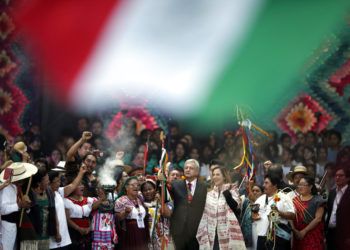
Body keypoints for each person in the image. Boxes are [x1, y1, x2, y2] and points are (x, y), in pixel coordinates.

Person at [196, 166, 246, 249]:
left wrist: (225, 192)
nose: (215, 177)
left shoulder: (232, 191)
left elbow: (235, 208)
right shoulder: (210, 195)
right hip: (212, 234)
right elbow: (205, 215)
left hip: (228, 233)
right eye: (214, 175)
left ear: (224, 176)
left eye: (218, 174)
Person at [169, 159, 207, 250]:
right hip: (178, 229)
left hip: (197, 231)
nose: (188, 170)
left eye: (191, 168)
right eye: (186, 168)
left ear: (197, 171)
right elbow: (168, 202)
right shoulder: (175, 185)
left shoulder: (204, 186)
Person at [0, 162, 37, 250]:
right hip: (7, 226)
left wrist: (26, 206)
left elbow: (21, 207)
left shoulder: (16, 188)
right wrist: (19, 205)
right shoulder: (6, 188)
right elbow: (3, 209)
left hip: (16, 226)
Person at [48, 166, 87, 249]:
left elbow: (73, 185)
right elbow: (51, 216)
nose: (59, 183)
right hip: (54, 238)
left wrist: (81, 173)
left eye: (59, 180)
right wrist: (57, 232)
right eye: (56, 181)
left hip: (64, 238)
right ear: (49, 183)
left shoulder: (59, 192)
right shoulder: (46, 196)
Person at [253, 174, 295, 250]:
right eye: (263, 183)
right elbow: (253, 216)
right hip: (261, 238)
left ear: (275, 185)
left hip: (278, 238)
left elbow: (292, 215)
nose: (263, 185)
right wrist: (254, 216)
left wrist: (279, 213)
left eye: (266, 183)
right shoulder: (260, 199)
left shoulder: (284, 197)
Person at [115, 177, 149, 250]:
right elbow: (118, 218)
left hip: (142, 229)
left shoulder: (140, 199)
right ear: (126, 187)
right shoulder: (121, 200)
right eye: (133, 185)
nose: (136, 187)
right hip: (130, 231)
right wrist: (125, 213)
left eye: (137, 185)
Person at [292, 177, 326, 250]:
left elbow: (318, 219)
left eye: (303, 185)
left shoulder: (318, 200)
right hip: (297, 235)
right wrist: (295, 230)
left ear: (310, 186)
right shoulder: (295, 200)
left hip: (312, 234)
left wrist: (304, 231)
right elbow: (291, 217)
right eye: (299, 185)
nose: (300, 187)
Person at [326, 167, 350, 250]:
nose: (337, 177)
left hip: (345, 235)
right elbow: (329, 212)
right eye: (336, 176)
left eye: (341, 175)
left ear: (347, 178)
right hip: (331, 232)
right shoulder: (332, 193)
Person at [91, 185, 118, 250]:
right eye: (100, 188)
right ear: (96, 190)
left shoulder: (111, 201)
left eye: (104, 188)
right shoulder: (94, 200)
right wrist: (101, 199)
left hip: (109, 231)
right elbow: (93, 207)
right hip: (98, 232)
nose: (102, 190)